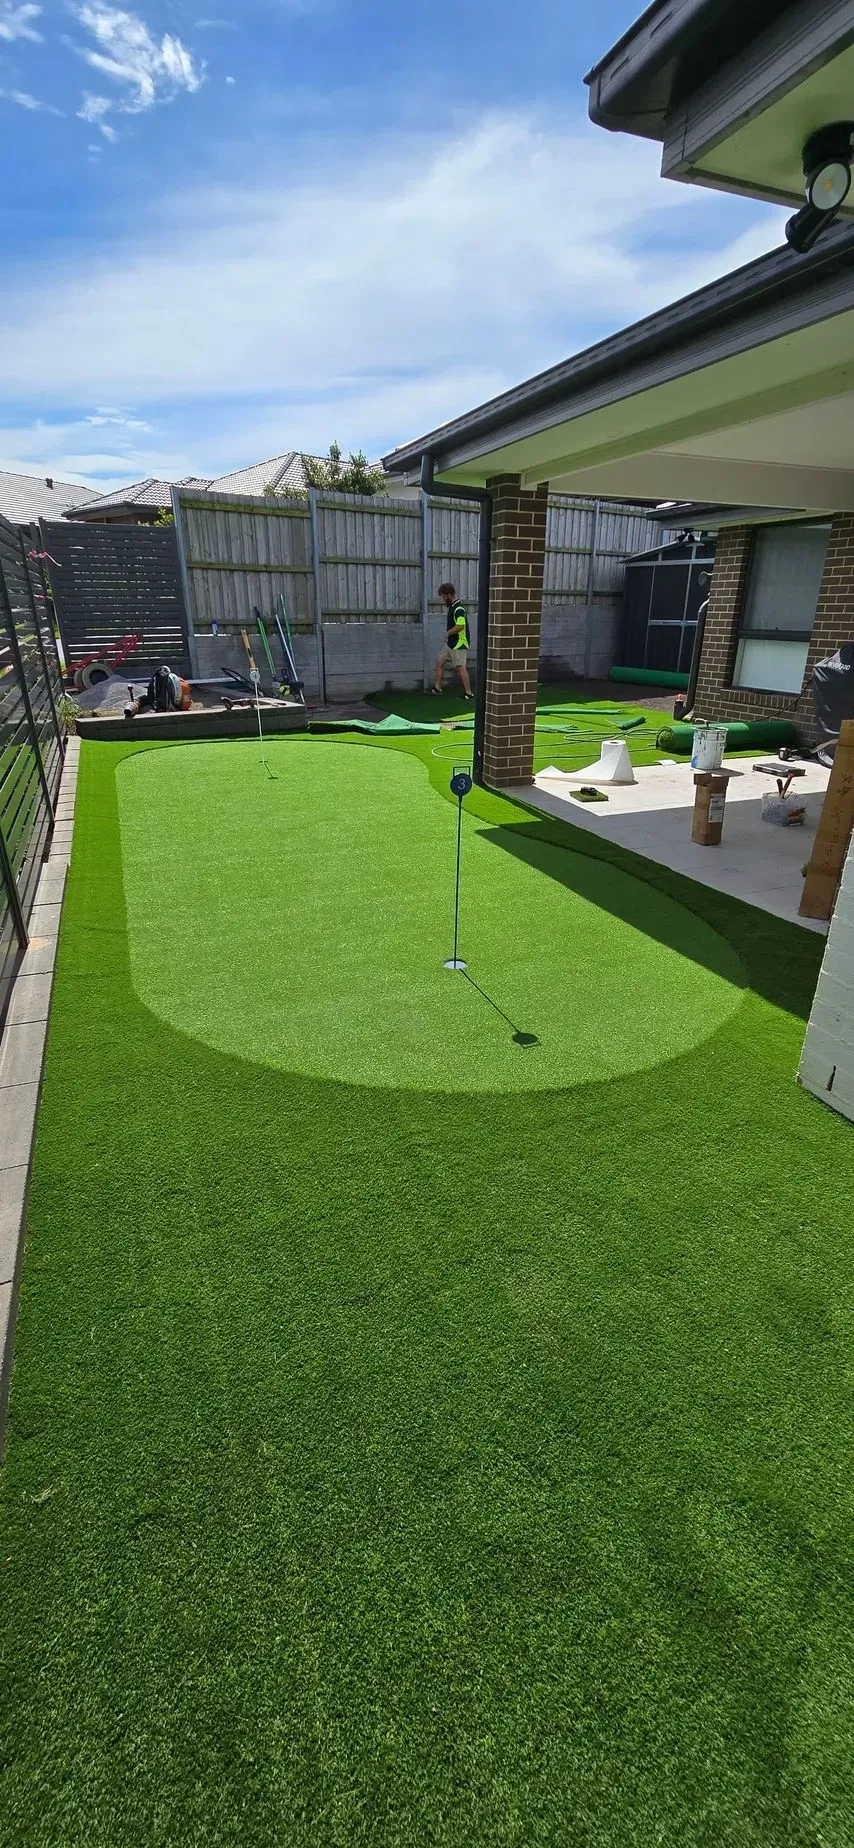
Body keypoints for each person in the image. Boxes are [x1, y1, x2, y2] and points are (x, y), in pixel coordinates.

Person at [431, 584, 473, 698]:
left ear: (449, 595)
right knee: (440, 662)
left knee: (461, 668)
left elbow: (460, 626)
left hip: (459, 643)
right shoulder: (452, 607)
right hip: (450, 644)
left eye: (444, 597)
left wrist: (448, 633)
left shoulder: (459, 608)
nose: (443, 600)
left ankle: (468, 693)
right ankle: (437, 688)